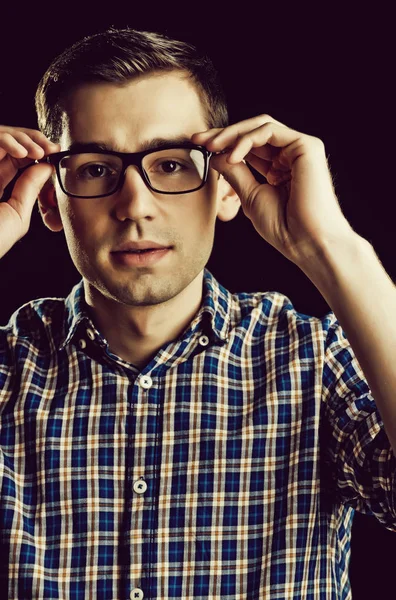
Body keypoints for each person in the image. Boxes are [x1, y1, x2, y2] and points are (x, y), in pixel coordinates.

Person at [0, 26, 395, 600]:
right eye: (93, 168)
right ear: (47, 199)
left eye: (171, 164)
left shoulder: (315, 362)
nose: (135, 206)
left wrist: (331, 247)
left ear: (229, 186)